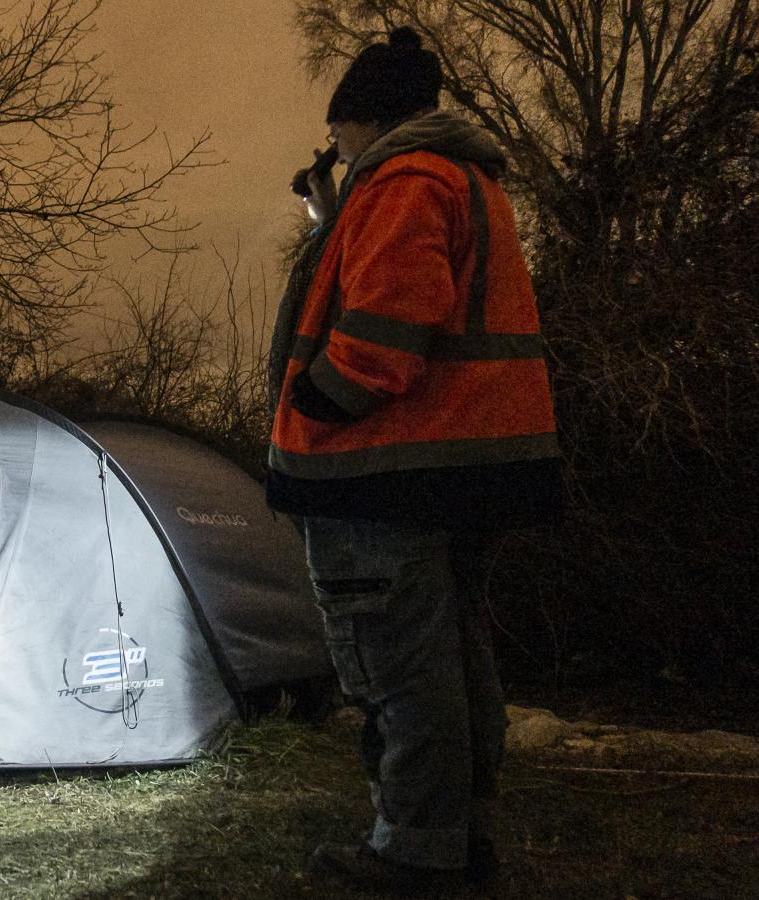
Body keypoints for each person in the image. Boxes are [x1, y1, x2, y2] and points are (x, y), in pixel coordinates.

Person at [268, 27, 562, 894]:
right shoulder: (468, 181)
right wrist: (335, 217)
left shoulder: (404, 180)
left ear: (365, 122)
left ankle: (412, 856)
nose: (337, 154)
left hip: (385, 472)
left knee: (399, 671)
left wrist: (324, 395)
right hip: (462, 467)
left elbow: (396, 315)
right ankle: (460, 839)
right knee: (456, 665)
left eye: (339, 137)